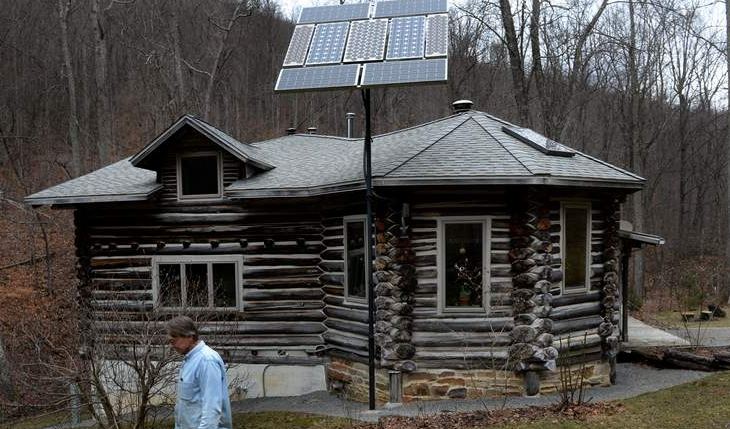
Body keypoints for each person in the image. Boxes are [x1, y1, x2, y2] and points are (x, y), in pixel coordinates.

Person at [167, 316, 232, 429]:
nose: (172, 345)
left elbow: (212, 409)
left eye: (174, 340)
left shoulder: (206, 361)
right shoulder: (190, 359)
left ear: (190, 337)